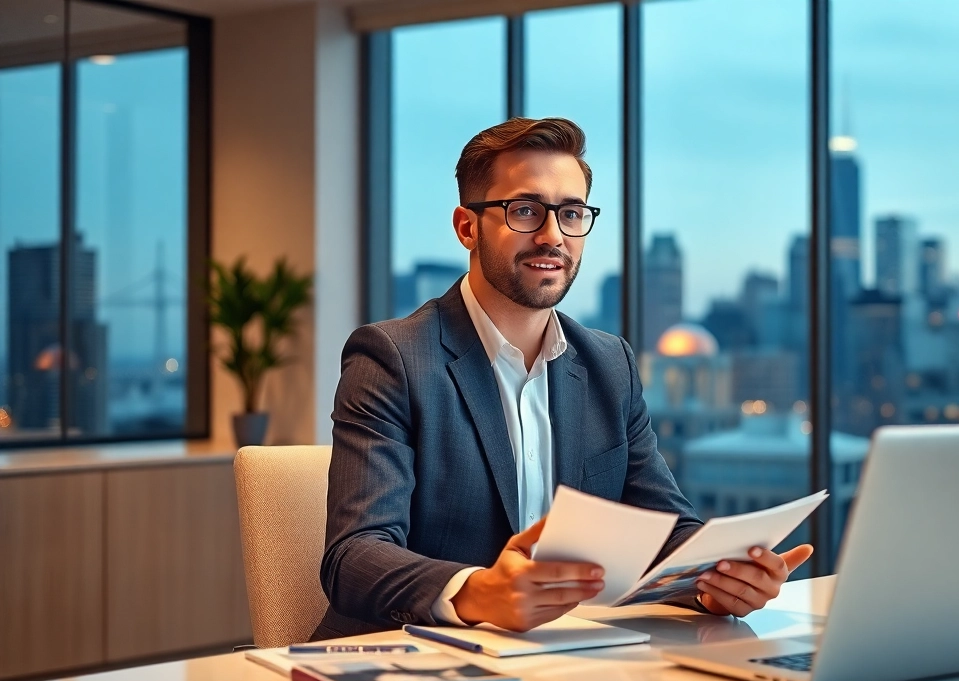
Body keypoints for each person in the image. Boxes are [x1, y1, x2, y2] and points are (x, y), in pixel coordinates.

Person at [313, 117, 811, 640]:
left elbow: (667, 526)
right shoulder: (394, 357)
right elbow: (353, 556)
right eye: (525, 210)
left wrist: (717, 581)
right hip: (415, 671)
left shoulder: (607, 364)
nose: (553, 236)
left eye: (571, 213)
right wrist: (478, 591)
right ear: (467, 227)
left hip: (564, 668)